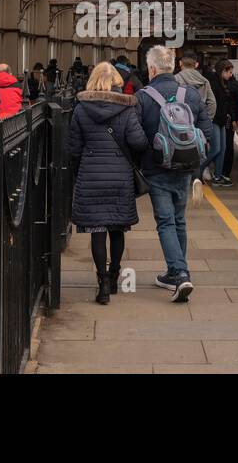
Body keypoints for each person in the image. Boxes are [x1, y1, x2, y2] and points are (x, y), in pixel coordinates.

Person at [65, 62, 148, 305]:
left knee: (97, 231)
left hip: (91, 175)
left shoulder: (81, 109)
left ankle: (101, 284)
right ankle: (114, 276)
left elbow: (74, 149)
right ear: (116, 83)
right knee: (117, 228)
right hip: (120, 176)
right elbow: (138, 142)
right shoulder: (127, 108)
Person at [136, 44, 212, 302]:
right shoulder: (190, 94)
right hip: (185, 166)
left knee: (166, 222)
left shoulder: (144, 96)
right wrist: (198, 166)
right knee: (179, 221)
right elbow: (207, 131)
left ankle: (179, 274)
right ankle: (176, 271)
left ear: (153, 68)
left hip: (156, 168)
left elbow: (135, 137)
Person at [175, 52, 218, 196]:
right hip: (198, 124)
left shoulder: (176, 80)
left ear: (180, 64)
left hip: (180, 124)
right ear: (196, 65)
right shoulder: (204, 81)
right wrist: (207, 118)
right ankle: (196, 179)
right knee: (198, 153)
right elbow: (212, 103)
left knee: (179, 151)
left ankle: (182, 183)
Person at [203, 59, 233, 187]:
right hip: (214, 119)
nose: (231, 75)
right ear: (222, 71)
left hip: (221, 119)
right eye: (229, 72)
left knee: (223, 148)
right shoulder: (213, 83)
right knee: (216, 148)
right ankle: (198, 168)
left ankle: (218, 176)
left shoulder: (224, 83)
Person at [220, 61, 238, 184]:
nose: (229, 74)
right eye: (228, 71)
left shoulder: (232, 86)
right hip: (228, 119)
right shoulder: (236, 85)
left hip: (228, 120)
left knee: (225, 146)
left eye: (230, 72)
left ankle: (222, 172)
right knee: (227, 146)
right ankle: (224, 172)